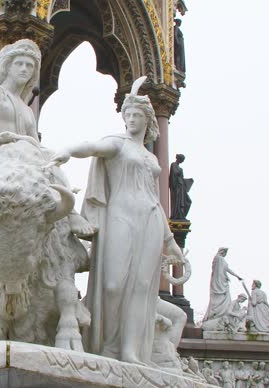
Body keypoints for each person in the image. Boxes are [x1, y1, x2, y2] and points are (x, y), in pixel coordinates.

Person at [50, 76, 185, 364]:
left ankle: (130, 350)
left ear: (148, 121)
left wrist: (171, 242)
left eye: (137, 115)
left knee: (140, 288)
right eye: (128, 115)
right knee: (112, 285)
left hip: (149, 219)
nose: (132, 120)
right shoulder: (117, 144)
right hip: (120, 217)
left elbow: (156, 201)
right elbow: (92, 147)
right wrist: (68, 151)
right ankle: (107, 345)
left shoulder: (150, 159)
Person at [0, 0, 94, 238]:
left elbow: (34, 142)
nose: (25, 69)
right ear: (8, 67)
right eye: (20, 64)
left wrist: (52, 157)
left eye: (29, 65)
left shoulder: (26, 110)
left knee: (50, 162)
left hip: (25, 156)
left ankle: (72, 214)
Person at [203, 247, 242, 323]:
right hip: (219, 281)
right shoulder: (218, 259)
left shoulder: (219, 259)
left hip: (222, 281)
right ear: (222, 252)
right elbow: (222, 270)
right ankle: (216, 314)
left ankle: (219, 314)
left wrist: (237, 276)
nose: (225, 255)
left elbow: (228, 270)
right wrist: (237, 276)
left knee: (223, 298)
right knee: (218, 298)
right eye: (225, 253)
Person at [168, 153, 192, 219]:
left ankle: (181, 214)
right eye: (182, 160)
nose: (182, 161)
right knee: (177, 202)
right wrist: (180, 172)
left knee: (188, 201)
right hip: (176, 187)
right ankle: (177, 215)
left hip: (181, 187)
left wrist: (189, 181)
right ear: (179, 159)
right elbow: (174, 174)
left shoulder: (180, 168)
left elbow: (181, 177)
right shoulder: (173, 165)